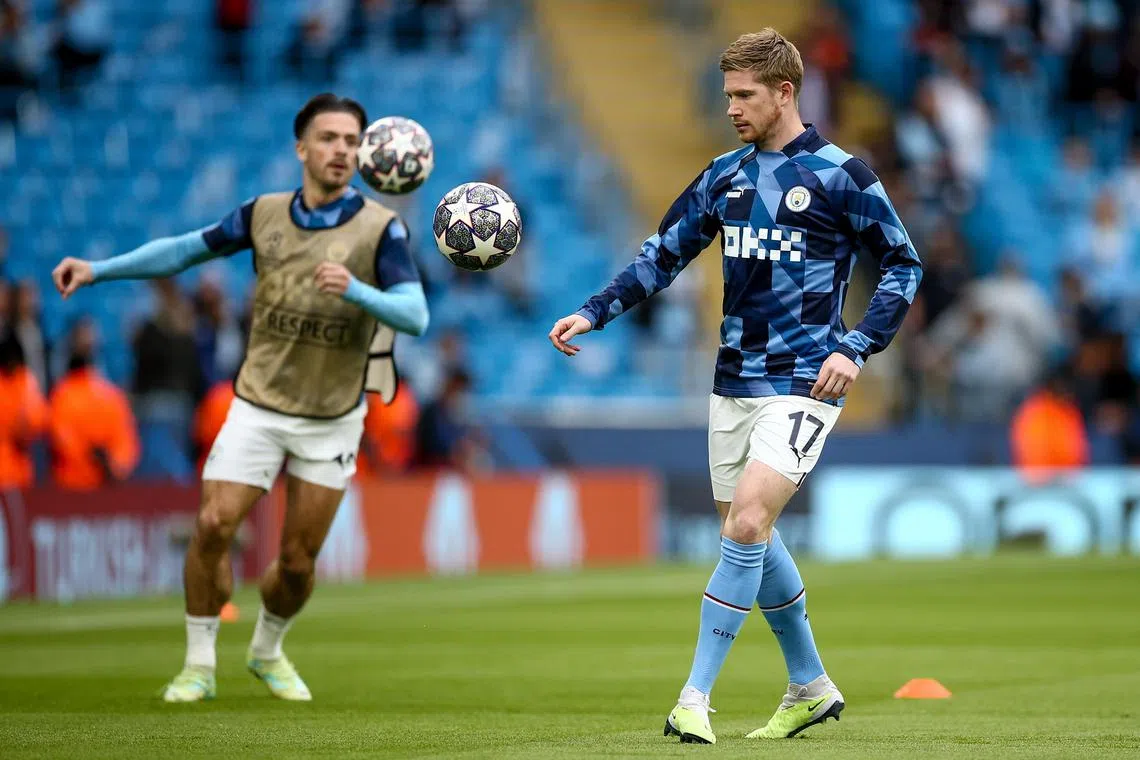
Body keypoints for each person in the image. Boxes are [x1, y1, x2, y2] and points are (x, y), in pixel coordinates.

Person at [549, 29, 922, 743]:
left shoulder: (844, 175)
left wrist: (857, 346)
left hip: (806, 383)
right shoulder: (724, 175)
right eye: (728, 96)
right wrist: (594, 311)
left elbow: (903, 267)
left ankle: (695, 696)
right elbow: (663, 255)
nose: (732, 109)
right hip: (732, 382)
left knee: (747, 522)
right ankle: (810, 684)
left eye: (745, 95)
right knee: (747, 530)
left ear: (786, 92)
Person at [51, 93, 430, 703]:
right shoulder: (264, 215)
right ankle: (198, 663)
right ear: (301, 148)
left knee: (298, 563)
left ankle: (267, 649)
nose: (342, 150)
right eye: (329, 138)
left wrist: (358, 292)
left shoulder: (382, 229)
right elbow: (182, 249)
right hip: (257, 406)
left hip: (331, 419)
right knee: (212, 523)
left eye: (352, 140)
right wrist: (99, 269)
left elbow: (415, 315)